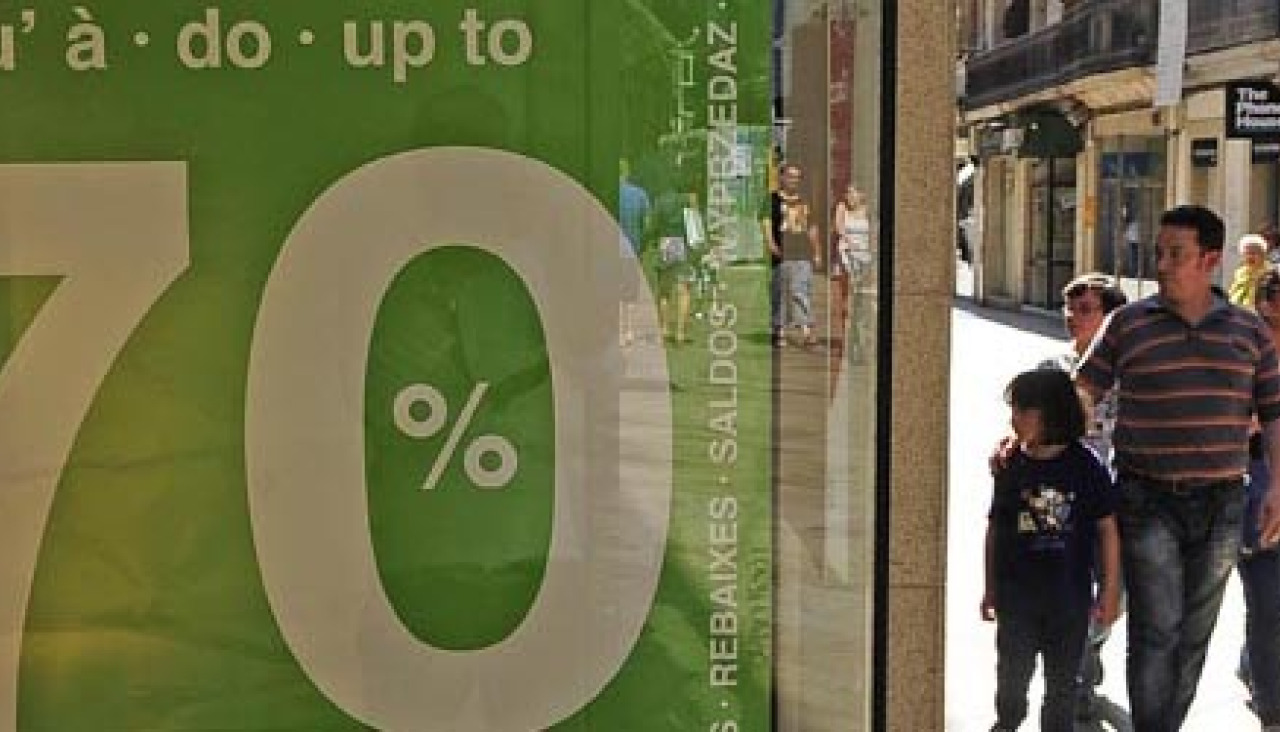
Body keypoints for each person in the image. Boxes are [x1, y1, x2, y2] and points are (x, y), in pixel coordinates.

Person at [1074, 204, 1280, 732]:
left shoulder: (1249, 332)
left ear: (1209, 260)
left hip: (1223, 501)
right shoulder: (1128, 324)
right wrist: (1038, 434)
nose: (1161, 264)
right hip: (1146, 496)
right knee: (1156, 628)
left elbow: (1274, 412)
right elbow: (1084, 389)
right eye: (1159, 252)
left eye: (1175, 254)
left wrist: (1278, 485)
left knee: (1193, 634)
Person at [982, 369, 1121, 732]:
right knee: (1012, 674)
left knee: (1063, 684)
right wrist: (990, 587)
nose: (1014, 419)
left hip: (1069, 600)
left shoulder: (1086, 467)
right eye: (1012, 410)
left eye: (1023, 410)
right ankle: (1007, 721)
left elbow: (1107, 529)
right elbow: (995, 528)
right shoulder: (1011, 465)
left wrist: (1109, 590)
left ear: (1052, 413)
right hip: (1017, 598)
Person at [1035, 272, 1127, 720]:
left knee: (1112, 595)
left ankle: (1086, 657)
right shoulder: (1051, 369)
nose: (1072, 317)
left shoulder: (1132, 374)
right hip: (1058, 497)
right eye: (1069, 308)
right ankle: (1073, 683)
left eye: (1085, 309)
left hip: (1117, 499)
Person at [1239, 267, 1280, 729]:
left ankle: (1254, 664)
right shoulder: (1241, 350)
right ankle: (1272, 709)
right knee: (1268, 604)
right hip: (1251, 485)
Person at [761, 163, 821, 348]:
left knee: (801, 291)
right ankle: (779, 330)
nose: (794, 180)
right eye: (790, 176)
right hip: (781, 253)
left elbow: (812, 227)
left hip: (802, 252)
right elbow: (766, 221)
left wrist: (817, 251)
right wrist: (770, 243)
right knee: (779, 293)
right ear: (782, 178)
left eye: (797, 177)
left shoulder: (805, 200)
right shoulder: (771, 199)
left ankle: (806, 330)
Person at [832, 185, 873, 347]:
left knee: (862, 298)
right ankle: (846, 335)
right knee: (847, 296)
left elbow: (875, 230)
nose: (848, 196)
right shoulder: (842, 208)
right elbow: (838, 228)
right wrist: (849, 242)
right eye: (847, 192)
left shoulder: (867, 210)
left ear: (861, 194)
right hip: (847, 256)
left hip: (864, 257)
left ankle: (860, 334)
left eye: (852, 192)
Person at [618, 159, 651, 347]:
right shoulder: (639, 194)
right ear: (627, 172)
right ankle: (628, 331)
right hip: (631, 249)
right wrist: (643, 243)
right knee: (629, 294)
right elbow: (647, 224)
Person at [1230, 233, 1270, 309]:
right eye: (1247, 253)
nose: (1250, 257)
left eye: (1253, 253)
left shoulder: (1269, 273)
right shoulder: (1240, 272)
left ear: (1263, 254)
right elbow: (1232, 293)